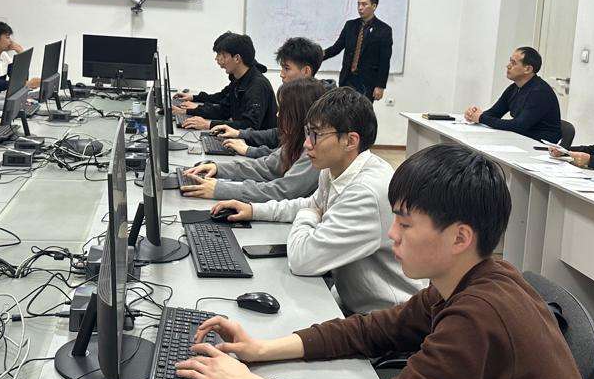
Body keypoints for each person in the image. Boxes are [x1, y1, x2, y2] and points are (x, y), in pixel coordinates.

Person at [176, 144, 594, 379]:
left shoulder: (478, 318)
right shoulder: (477, 277)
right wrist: (261, 349)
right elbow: (373, 330)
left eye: (405, 223)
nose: (391, 234)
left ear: (459, 238)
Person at [210, 87, 423, 314]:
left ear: (350, 141)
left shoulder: (366, 192)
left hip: (384, 319)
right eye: (307, 133)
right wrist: (254, 210)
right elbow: (309, 205)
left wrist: (310, 213)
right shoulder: (335, 169)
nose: (307, 144)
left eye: (316, 135)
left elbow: (303, 260)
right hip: (348, 299)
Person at [180, 78, 325, 202]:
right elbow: (267, 167)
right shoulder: (297, 139)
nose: (278, 115)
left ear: (300, 115)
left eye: (284, 110)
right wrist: (219, 169)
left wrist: (222, 189)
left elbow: (282, 191)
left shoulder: (315, 151)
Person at [212, 36, 324, 157]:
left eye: (287, 68)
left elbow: (293, 155)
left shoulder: (319, 107)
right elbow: (280, 134)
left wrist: (249, 150)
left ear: (306, 71)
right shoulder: (297, 95)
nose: (281, 74)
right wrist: (240, 133)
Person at [173, 32, 277, 131]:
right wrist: (186, 111)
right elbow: (224, 109)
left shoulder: (257, 86)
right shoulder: (239, 80)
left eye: (222, 55)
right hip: (241, 140)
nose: (217, 59)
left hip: (254, 143)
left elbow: (249, 125)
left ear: (237, 58)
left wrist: (208, 124)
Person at [463, 46, 561, 142]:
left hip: (540, 144)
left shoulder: (540, 92)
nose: (508, 66)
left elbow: (518, 125)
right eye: (510, 61)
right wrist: (473, 115)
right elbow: (494, 113)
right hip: (521, 138)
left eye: (513, 63)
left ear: (528, 69)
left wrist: (481, 118)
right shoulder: (514, 87)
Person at [321, 0, 392, 101]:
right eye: (358, 4)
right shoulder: (350, 25)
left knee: (362, 111)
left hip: (367, 82)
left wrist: (380, 86)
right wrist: (316, 55)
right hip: (347, 79)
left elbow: (384, 60)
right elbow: (336, 48)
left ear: (374, 6)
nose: (360, 8)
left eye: (364, 4)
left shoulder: (384, 30)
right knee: (342, 108)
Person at [0, 19, 39, 92]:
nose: (11, 41)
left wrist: (20, 52)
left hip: (0, 96)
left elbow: (20, 78)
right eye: (7, 37)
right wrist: (26, 84)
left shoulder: (3, 55)